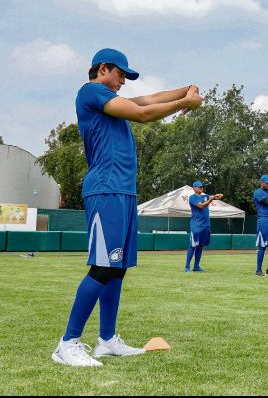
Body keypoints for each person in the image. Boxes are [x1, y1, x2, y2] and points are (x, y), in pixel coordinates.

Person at [53, 48, 202, 367]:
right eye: (120, 74)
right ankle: (67, 343)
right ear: (102, 69)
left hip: (123, 191)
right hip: (105, 189)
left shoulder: (110, 100)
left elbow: (149, 99)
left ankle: (107, 340)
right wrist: (185, 103)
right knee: (103, 267)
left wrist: (186, 90)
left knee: (117, 268)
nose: (123, 81)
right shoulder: (91, 91)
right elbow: (143, 113)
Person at [185, 181, 223, 272]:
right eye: (200, 187)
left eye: (202, 187)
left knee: (200, 246)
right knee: (193, 245)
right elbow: (201, 206)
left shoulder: (204, 196)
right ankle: (187, 267)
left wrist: (216, 196)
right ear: (194, 188)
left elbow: (217, 197)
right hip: (196, 225)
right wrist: (210, 200)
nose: (201, 188)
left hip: (205, 225)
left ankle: (196, 266)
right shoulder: (192, 197)